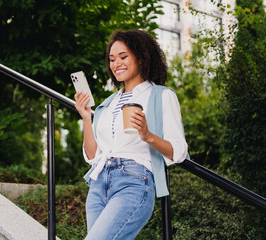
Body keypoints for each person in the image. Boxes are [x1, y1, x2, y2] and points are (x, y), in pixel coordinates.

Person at [74, 29, 188, 240]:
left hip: (133, 182)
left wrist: (148, 135)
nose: (116, 64)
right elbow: (92, 157)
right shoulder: (109, 104)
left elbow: (179, 152)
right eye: (112, 59)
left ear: (142, 58)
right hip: (99, 184)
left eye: (123, 57)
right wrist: (86, 119)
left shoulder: (161, 96)